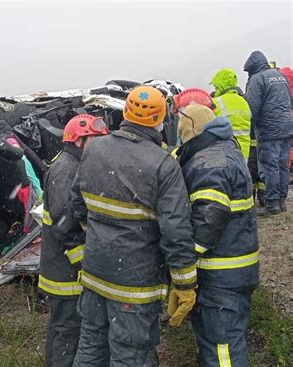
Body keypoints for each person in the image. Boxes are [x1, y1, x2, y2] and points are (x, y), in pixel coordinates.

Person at [71, 86, 198, 366]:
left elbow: (77, 205)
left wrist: (100, 237)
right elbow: (175, 231)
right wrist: (185, 284)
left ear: (125, 112)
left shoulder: (96, 149)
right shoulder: (163, 164)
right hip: (135, 286)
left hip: (94, 274)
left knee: (91, 350)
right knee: (132, 357)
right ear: (161, 120)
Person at [176, 103, 259, 366]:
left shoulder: (208, 163)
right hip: (234, 268)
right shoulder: (224, 150)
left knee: (223, 347)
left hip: (221, 272)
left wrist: (182, 259)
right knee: (221, 337)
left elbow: (209, 219)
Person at [38, 114, 108, 367]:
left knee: (71, 330)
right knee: (67, 331)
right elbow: (65, 224)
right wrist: (84, 263)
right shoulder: (67, 169)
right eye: (96, 140)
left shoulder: (75, 164)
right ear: (79, 140)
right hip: (64, 273)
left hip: (66, 268)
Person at [244, 50, 293, 215]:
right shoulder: (280, 76)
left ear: (252, 67)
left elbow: (252, 107)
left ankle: (272, 203)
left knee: (269, 166)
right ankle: (282, 201)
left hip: (269, 129)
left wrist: (253, 126)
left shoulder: (257, 79)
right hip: (287, 127)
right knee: (282, 164)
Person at [210, 68, 252, 160]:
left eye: (216, 87)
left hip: (225, 153)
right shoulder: (243, 102)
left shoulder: (216, 102)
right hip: (244, 153)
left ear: (220, 87)